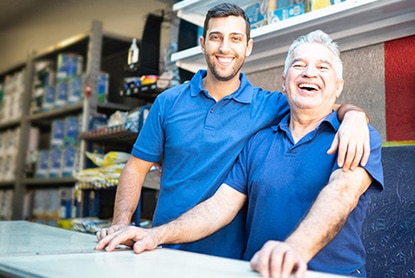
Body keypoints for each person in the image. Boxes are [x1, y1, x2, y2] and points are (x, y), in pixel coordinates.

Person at [96, 3, 371, 260]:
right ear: (203, 44)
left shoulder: (268, 104)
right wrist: (120, 224)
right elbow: (135, 168)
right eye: (216, 37)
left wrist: (355, 117)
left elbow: (319, 104)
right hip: (161, 246)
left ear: (248, 47)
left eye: (236, 39)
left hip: (228, 257)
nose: (224, 48)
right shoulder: (168, 102)